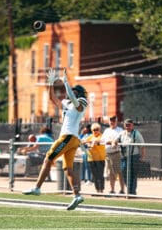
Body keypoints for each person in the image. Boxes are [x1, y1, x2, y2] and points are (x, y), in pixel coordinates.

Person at [22, 68, 88, 210]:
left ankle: (37, 187)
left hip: (69, 137)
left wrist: (65, 83)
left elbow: (76, 102)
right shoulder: (66, 103)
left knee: (48, 158)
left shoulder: (82, 102)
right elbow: (53, 99)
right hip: (71, 139)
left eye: (74, 92)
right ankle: (77, 195)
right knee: (67, 168)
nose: (71, 93)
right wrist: (51, 83)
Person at [114, 118, 145, 195]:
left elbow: (142, 146)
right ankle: (129, 190)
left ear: (132, 125)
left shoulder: (136, 133)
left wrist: (142, 157)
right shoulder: (121, 133)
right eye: (126, 125)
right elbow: (115, 140)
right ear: (124, 125)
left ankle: (132, 192)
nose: (127, 127)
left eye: (129, 125)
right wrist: (113, 143)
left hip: (134, 156)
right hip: (124, 157)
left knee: (133, 174)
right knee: (124, 173)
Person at [102, 115, 125, 194]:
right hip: (109, 154)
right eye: (111, 121)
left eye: (114, 121)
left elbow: (121, 141)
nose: (112, 122)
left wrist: (114, 142)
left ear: (116, 121)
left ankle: (122, 190)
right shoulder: (106, 131)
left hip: (118, 153)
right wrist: (111, 142)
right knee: (111, 173)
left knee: (120, 172)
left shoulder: (120, 130)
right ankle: (112, 189)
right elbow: (103, 141)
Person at [82, 123, 106, 193]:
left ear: (99, 130)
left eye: (97, 129)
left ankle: (101, 189)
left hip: (100, 158)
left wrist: (92, 142)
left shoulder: (102, 136)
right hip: (91, 159)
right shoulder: (90, 137)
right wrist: (86, 149)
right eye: (94, 130)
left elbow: (99, 140)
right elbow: (82, 142)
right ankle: (97, 190)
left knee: (100, 175)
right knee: (95, 175)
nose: (95, 131)